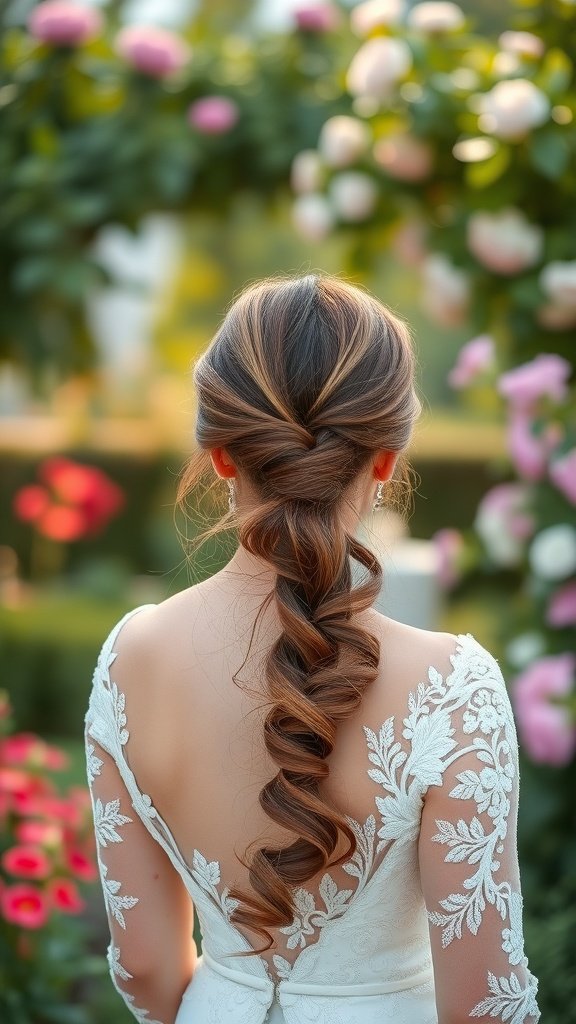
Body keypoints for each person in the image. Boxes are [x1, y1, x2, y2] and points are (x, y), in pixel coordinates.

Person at [84, 274, 541, 1024]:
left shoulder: (131, 656)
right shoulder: (454, 686)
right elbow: (485, 1005)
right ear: (387, 458)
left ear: (221, 454)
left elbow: (142, 963)